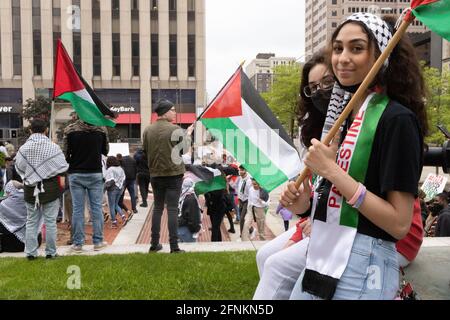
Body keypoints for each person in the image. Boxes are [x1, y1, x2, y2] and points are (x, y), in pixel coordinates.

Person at [282, 13, 427, 300]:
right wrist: (304, 205)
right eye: (338, 49)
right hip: (321, 258)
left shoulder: (397, 120)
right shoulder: (342, 117)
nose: (343, 58)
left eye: (357, 48)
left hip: (365, 265)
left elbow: (398, 224)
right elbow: (335, 204)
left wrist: (333, 171)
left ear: (381, 56)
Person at [143, 99, 194, 253]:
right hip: (173, 174)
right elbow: (184, 150)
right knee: (172, 209)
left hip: (155, 174)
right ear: (165, 112)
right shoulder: (175, 129)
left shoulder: (147, 130)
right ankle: (174, 246)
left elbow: (145, 150)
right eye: (172, 110)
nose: (175, 112)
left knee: (157, 208)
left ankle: (154, 243)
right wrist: (189, 134)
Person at [15, 118, 69, 260]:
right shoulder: (53, 147)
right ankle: (51, 253)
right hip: (50, 187)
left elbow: (19, 166)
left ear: (30, 130)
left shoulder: (24, 148)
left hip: (30, 188)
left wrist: (30, 175)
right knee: (50, 221)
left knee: (31, 221)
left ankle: (31, 253)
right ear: (46, 130)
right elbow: (63, 166)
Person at [63, 117, 109, 252]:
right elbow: (105, 150)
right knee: (96, 208)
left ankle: (78, 243)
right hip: (95, 172)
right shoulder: (101, 130)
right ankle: (98, 242)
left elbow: (65, 154)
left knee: (78, 209)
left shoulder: (70, 130)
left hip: (76, 173)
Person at [0, 181, 42, 253]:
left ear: (10, 191)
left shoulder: (4, 205)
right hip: (35, 242)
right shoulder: (32, 200)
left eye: (7, 191)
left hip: (14, 245)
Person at [228, 166, 252, 237]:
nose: (240, 171)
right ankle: (251, 229)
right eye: (240, 170)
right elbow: (234, 186)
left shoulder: (249, 180)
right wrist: (229, 180)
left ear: (246, 171)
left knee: (241, 218)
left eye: (242, 170)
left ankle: (242, 234)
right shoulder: (239, 178)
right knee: (242, 218)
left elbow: (251, 191)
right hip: (240, 199)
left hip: (247, 200)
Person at [104, 156, 126, 229]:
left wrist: (104, 188)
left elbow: (111, 180)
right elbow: (124, 178)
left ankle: (114, 222)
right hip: (120, 188)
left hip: (112, 189)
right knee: (116, 204)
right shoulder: (120, 168)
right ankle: (123, 216)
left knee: (112, 206)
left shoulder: (110, 169)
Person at [177, 178, 202, 242]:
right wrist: (196, 229)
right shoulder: (191, 198)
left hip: (179, 227)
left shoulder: (182, 195)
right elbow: (193, 217)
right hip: (187, 230)